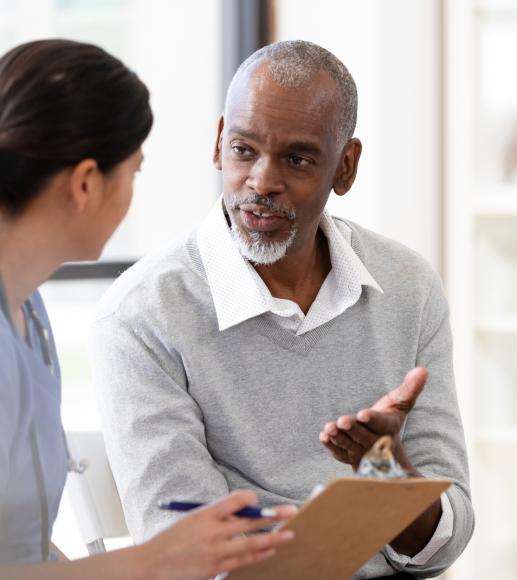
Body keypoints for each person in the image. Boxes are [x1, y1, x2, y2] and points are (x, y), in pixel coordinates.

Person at [91, 40, 475, 579]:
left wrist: (390, 476)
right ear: (219, 142)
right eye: (244, 150)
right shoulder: (142, 315)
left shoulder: (407, 286)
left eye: (296, 159)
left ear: (346, 166)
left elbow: (447, 539)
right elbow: (182, 551)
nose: (262, 182)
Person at [0, 39, 296, 580]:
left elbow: (22, 554)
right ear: (86, 183)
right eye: (133, 172)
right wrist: (149, 563)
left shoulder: (30, 317)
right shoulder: (131, 315)